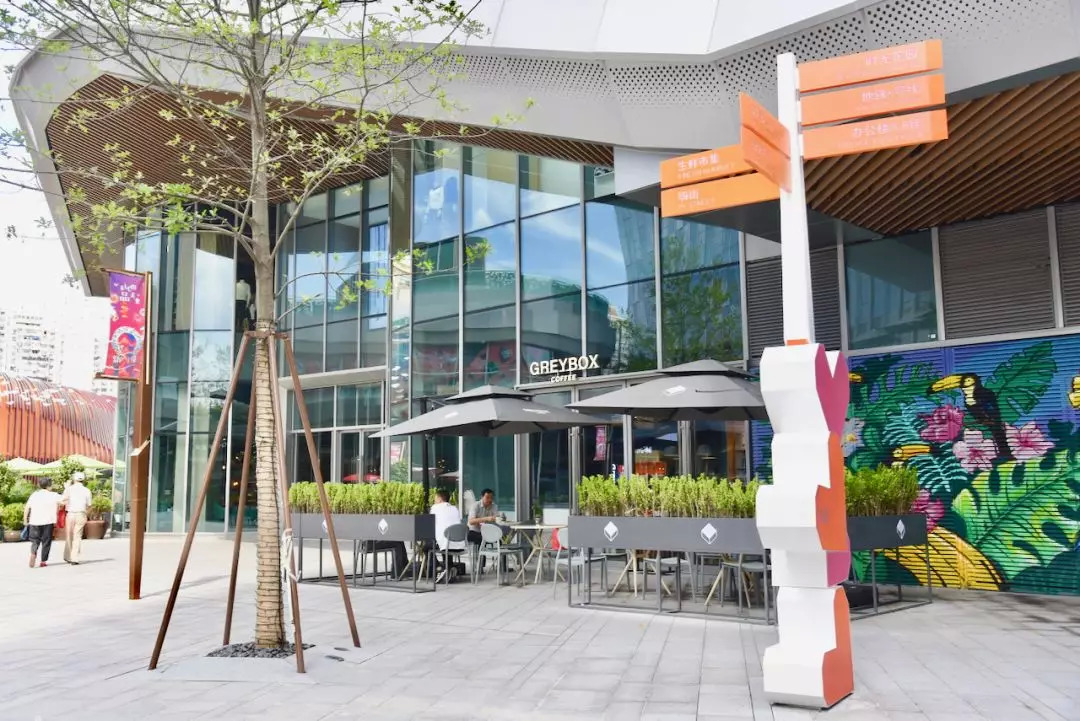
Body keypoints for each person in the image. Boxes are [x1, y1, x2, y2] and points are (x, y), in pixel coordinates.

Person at [23, 478, 62, 568]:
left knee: (35, 540)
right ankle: (43, 561)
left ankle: (33, 552)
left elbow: (27, 508)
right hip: (48, 522)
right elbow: (64, 501)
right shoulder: (54, 495)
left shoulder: (34, 495)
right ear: (49, 486)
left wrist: (25, 520)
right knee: (46, 541)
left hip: (34, 521)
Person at [430, 489, 465, 582]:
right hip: (459, 545)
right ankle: (449, 568)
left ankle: (440, 569)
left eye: (435, 498)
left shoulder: (435, 508)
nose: (434, 500)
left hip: (445, 544)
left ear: (440, 499)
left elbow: (430, 523)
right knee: (446, 541)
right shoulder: (455, 509)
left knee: (426, 547)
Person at [62, 471, 93, 565]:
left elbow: (63, 500)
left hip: (70, 513)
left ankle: (68, 556)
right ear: (83, 480)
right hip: (81, 513)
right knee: (77, 536)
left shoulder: (69, 489)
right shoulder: (87, 490)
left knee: (69, 535)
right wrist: (86, 514)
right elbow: (89, 505)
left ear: (74, 479)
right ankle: (74, 557)